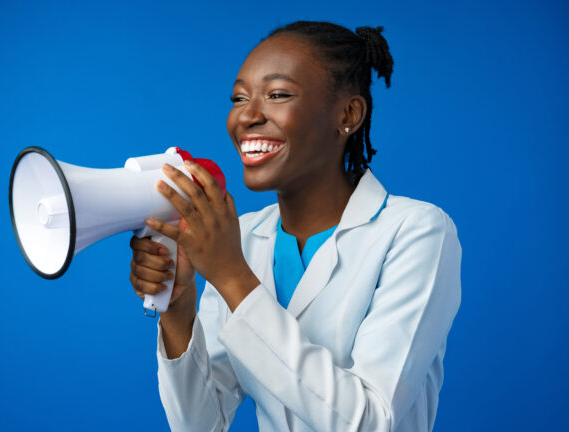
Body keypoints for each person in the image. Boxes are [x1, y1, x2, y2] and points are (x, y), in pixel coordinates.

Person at [128, 21, 461, 432]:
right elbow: (200, 423)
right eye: (239, 97)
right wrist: (179, 309)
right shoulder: (242, 237)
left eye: (277, 94)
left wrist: (232, 276)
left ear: (349, 114)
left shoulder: (416, 231)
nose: (247, 115)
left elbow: (371, 422)